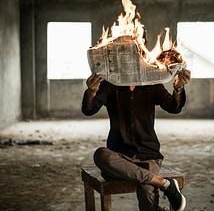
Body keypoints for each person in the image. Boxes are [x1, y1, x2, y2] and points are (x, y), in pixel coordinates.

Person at [81, 68, 191, 211]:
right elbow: (89, 110)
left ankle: (157, 186)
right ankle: (165, 184)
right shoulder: (110, 84)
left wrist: (178, 87)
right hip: (119, 158)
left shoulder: (152, 83)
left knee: (147, 192)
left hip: (148, 156)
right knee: (101, 155)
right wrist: (92, 91)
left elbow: (173, 107)